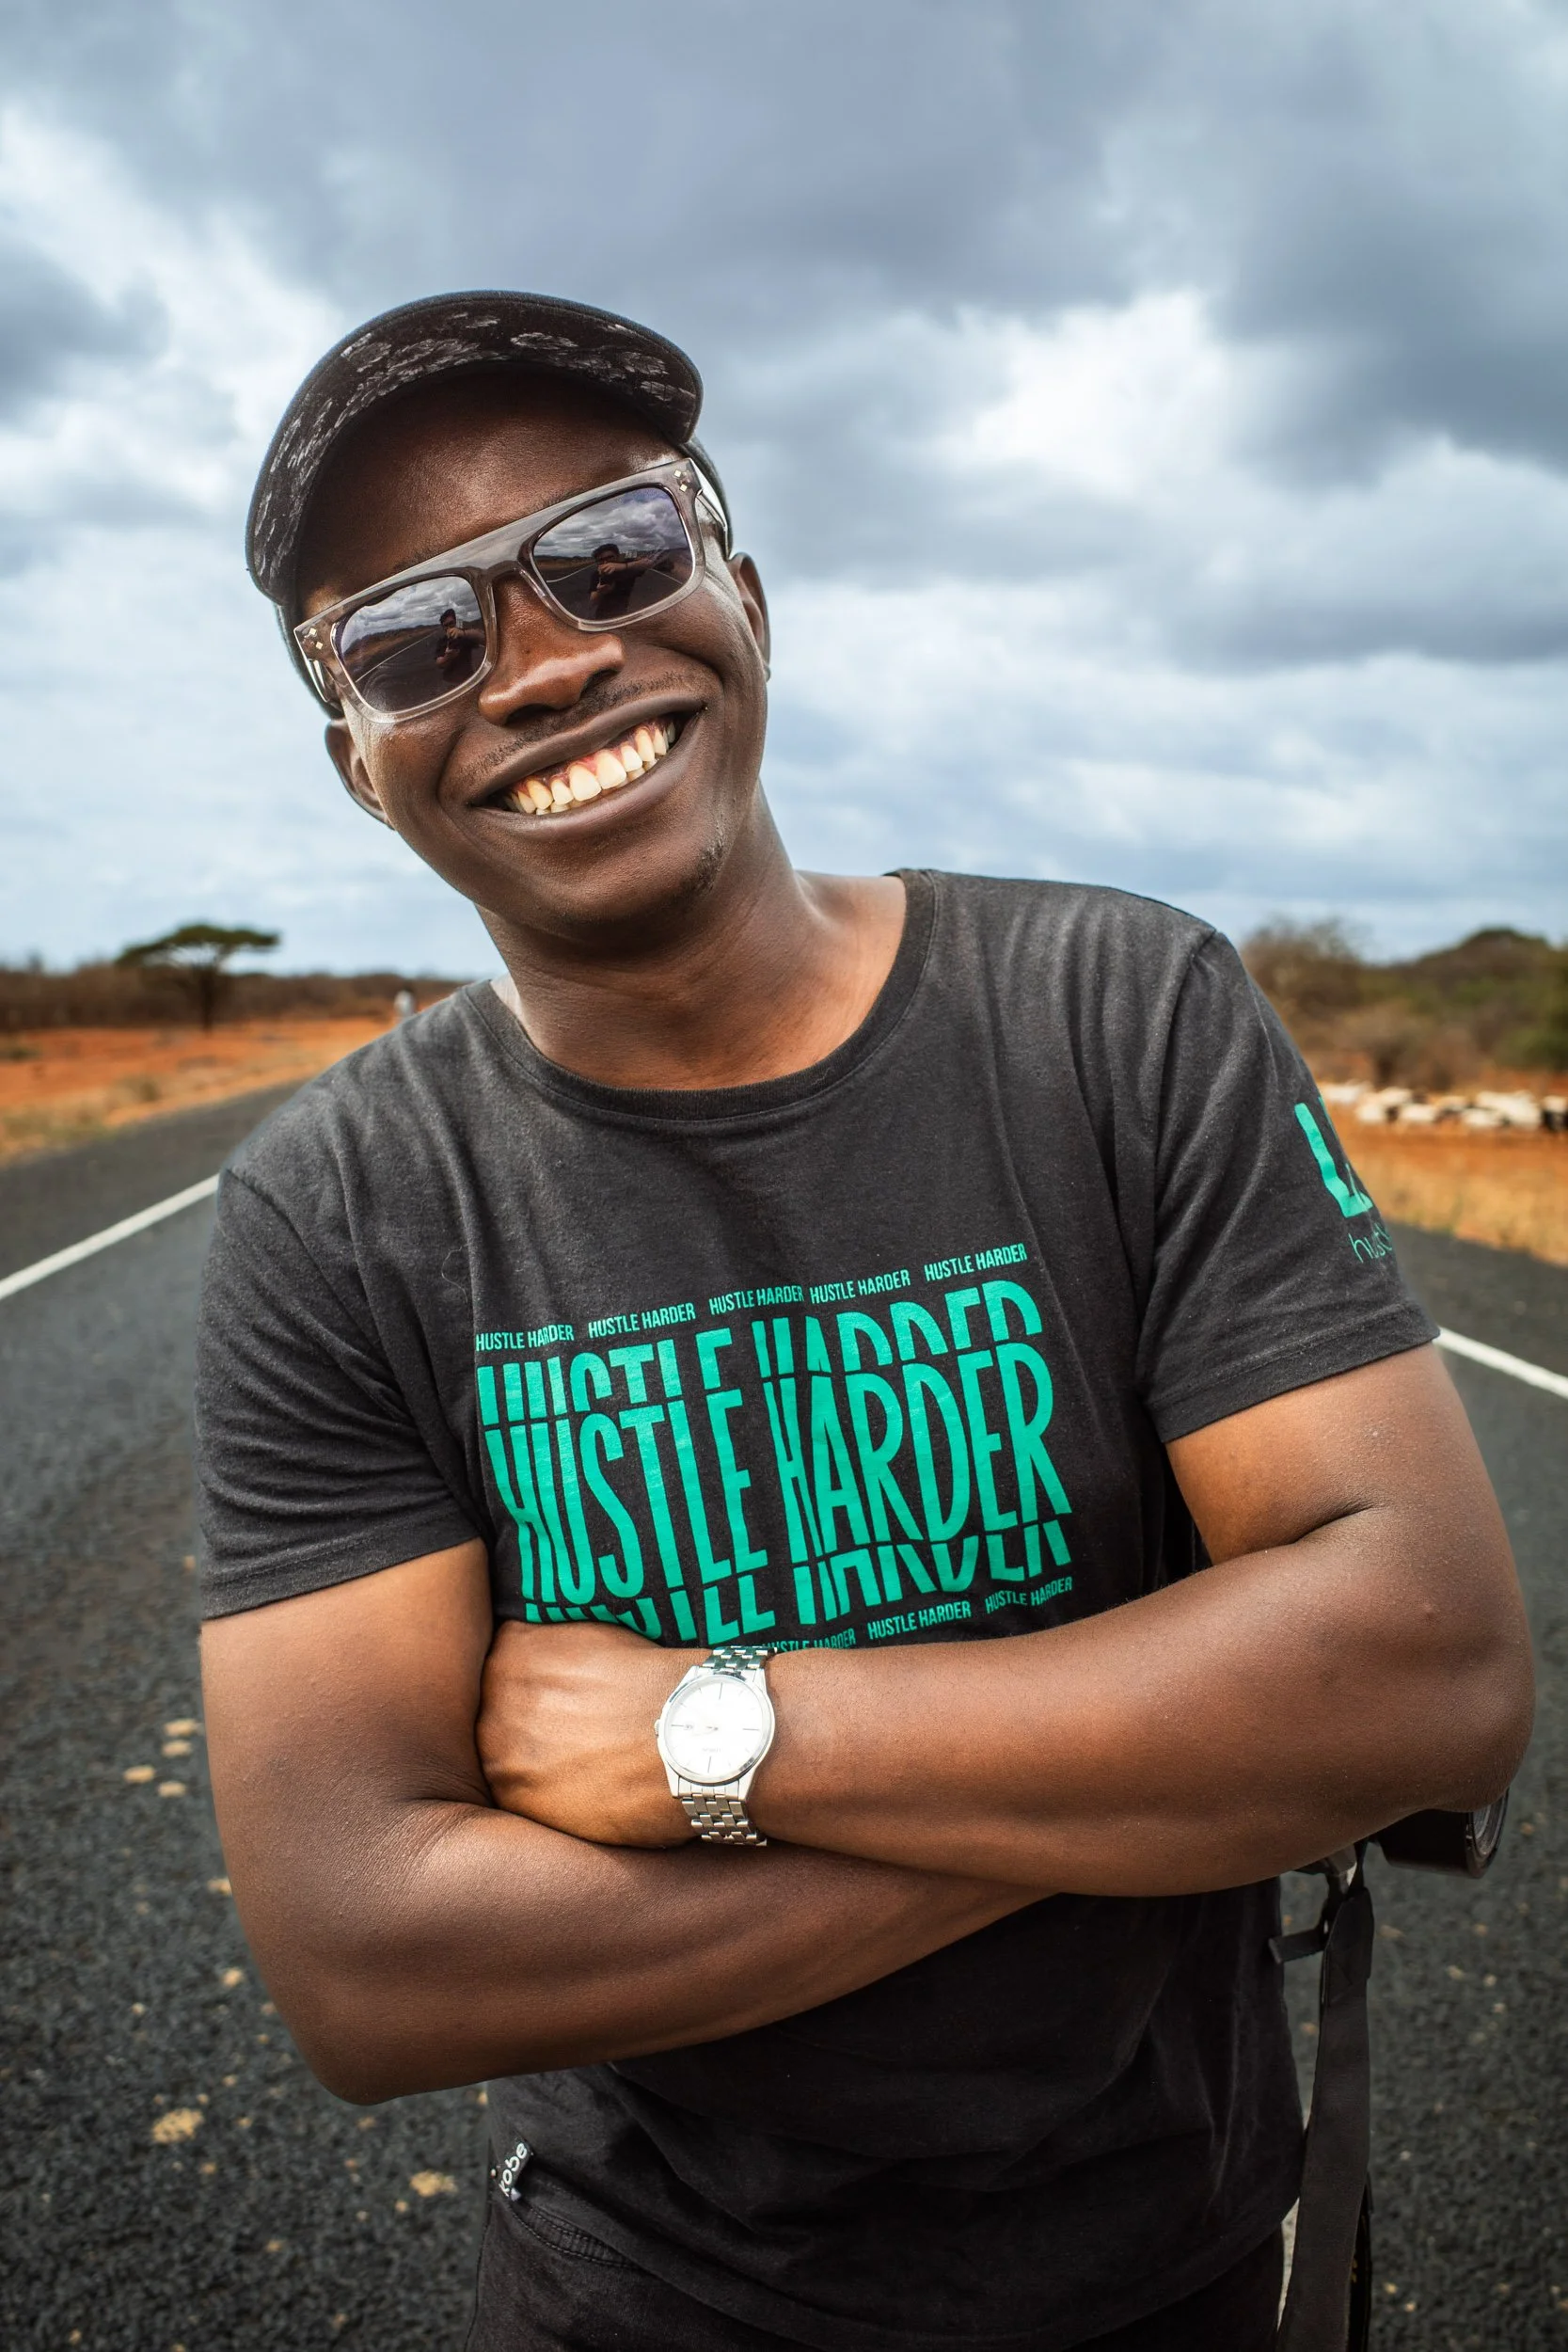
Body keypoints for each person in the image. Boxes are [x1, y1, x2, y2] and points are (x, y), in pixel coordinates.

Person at [198, 291, 1532, 2352]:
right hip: (637, 2296)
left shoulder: (1115, 1018)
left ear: (742, 583)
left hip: (1171, 2258)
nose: (547, 661)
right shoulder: (339, 1209)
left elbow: (1426, 1673)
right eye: (413, 639)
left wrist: (705, 1734)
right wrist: (1185, 1764)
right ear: (359, 761)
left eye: (613, 552)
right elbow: (375, 1965)